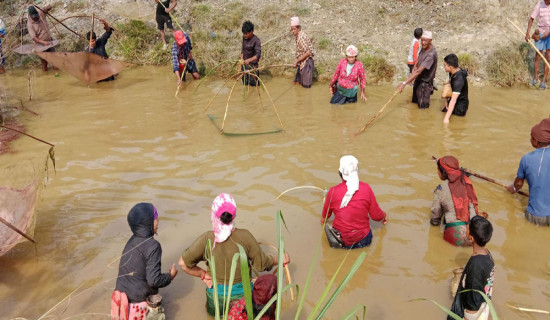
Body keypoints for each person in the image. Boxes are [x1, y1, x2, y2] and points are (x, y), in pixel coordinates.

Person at [179, 193, 289, 316]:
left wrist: (203, 275)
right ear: (234, 215)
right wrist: (280, 259)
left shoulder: (207, 239)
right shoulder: (245, 236)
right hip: (242, 296)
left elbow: (183, 263)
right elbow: (262, 265)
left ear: (213, 214)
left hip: (216, 296)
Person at [111, 203, 178, 320]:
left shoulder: (130, 241)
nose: (158, 222)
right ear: (148, 223)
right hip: (137, 307)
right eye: (156, 218)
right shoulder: (153, 246)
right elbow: (154, 280)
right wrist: (170, 276)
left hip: (121, 301)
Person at [321, 155, 387, 249]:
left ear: (340, 173)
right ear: (356, 172)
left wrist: (322, 221)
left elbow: (324, 218)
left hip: (341, 239)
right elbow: (376, 216)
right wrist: (384, 217)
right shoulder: (366, 188)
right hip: (364, 239)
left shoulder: (332, 192)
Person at [448, 215, 494, 320]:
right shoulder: (487, 254)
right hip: (483, 303)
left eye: (468, 227)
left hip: (471, 313)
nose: (466, 228)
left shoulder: (476, 264)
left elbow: (473, 299)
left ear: (471, 237)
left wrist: (467, 317)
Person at [507, 117, 550, 226]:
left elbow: (519, 184)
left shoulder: (526, 159)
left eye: (531, 137)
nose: (530, 139)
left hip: (535, 215)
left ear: (536, 141)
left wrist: (513, 188)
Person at [430, 156, 480, 247]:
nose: (437, 172)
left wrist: (434, 227)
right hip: (474, 235)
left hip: (454, 235)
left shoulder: (441, 189)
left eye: (438, 170)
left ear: (444, 173)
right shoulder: (467, 182)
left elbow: (435, 216)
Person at [397, 30, 437, 109]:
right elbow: (419, 58)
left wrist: (404, 83)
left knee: (423, 109)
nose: (423, 42)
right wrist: (415, 66)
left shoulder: (431, 55)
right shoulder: (424, 47)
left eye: (425, 40)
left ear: (430, 41)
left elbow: (418, 71)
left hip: (424, 84)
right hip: (418, 80)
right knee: (414, 104)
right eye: (422, 40)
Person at [525, 0, 550, 89]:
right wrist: (527, 33)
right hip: (540, 34)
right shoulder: (540, 4)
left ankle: (543, 80)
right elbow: (531, 18)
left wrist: (548, 33)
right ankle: (535, 78)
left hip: (549, 34)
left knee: (548, 56)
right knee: (538, 56)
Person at [27, 5, 56, 71]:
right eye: (34, 18)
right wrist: (44, 42)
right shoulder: (29, 24)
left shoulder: (40, 13)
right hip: (40, 45)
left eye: (36, 16)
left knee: (55, 61)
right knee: (44, 63)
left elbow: (48, 8)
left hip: (49, 41)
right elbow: (34, 38)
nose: (36, 18)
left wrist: (47, 8)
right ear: (30, 16)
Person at [441, 54, 469, 124]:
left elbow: (453, 100)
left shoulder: (459, 80)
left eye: (445, 65)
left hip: (460, 106)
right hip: (455, 99)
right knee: (443, 111)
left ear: (450, 67)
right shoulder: (453, 71)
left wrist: (446, 119)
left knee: (455, 123)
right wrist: (446, 102)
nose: (444, 67)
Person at [290, 17, 315, 88]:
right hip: (302, 61)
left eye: (294, 29)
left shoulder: (301, 38)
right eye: (292, 29)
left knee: (306, 86)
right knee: (297, 82)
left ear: (299, 28)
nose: (293, 31)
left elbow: (308, 53)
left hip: (307, 62)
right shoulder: (298, 36)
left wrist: (297, 61)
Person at [240, 20, 261, 87]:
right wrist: (240, 63)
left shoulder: (256, 41)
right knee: (244, 85)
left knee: (255, 86)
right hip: (244, 67)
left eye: (246, 33)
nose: (244, 35)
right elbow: (243, 50)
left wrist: (249, 60)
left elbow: (258, 55)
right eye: (244, 33)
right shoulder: (244, 37)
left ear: (251, 31)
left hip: (252, 68)